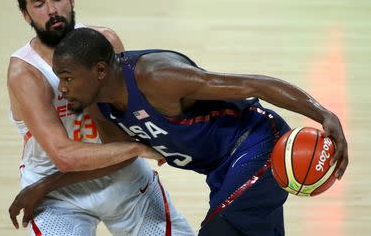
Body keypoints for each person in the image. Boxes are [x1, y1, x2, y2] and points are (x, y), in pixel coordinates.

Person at [50, 27, 349, 236]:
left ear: (100, 71)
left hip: (258, 143)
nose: (62, 90)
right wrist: (46, 186)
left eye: (67, 78)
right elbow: (115, 159)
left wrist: (323, 113)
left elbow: (254, 85)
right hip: (219, 170)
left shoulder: (159, 76)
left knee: (218, 230)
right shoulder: (97, 105)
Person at [7, 0, 195, 236]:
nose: (51, 9)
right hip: (59, 198)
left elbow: (123, 130)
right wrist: (136, 148)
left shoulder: (106, 42)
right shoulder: (26, 72)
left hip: (122, 179)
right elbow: (65, 156)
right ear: (25, 14)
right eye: (38, 3)